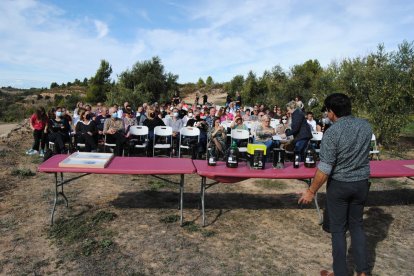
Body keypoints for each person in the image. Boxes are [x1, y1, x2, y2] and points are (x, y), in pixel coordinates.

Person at [298, 93, 372, 276]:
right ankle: (363, 272)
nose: (326, 114)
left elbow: (325, 168)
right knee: (357, 226)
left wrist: (311, 191)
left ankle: (340, 273)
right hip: (361, 183)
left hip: (340, 185)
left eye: (327, 110)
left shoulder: (332, 132)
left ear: (332, 112)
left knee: (338, 231)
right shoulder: (366, 126)